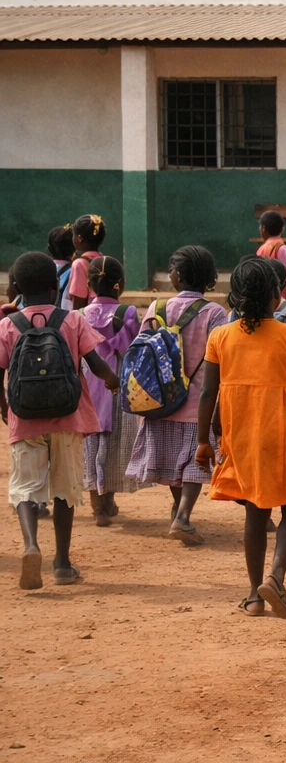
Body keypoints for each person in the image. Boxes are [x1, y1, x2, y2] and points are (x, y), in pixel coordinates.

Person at [197, 257, 286, 618]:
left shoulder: (220, 337)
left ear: (234, 298)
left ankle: (253, 595)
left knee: (255, 511)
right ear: (277, 297)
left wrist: (203, 441)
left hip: (242, 437)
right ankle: (275, 576)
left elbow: (208, 394)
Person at [1, 251, 121, 589]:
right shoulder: (72, 321)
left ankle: (30, 545)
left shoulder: (7, 325)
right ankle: (63, 564)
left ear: (17, 288)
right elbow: (95, 363)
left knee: (26, 487)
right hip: (69, 417)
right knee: (65, 490)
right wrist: (112, 381)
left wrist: (6, 410)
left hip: (25, 419)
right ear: (56, 287)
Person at [125, 246, 227, 545]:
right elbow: (223, 355)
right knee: (195, 462)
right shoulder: (214, 313)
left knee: (172, 460)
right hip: (198, 403)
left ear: (177, 276)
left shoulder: (157, 308)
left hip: (160, 401)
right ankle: (183, 515)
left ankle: (178, 510)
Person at [80, 256, 141, 526]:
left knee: (90, 444)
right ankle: (109, 499)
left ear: (89, 285)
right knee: (113, 444)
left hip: (89, 387)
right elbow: (133, 348)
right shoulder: (128, 313)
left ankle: (98, 508)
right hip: (118, 385)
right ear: (121, 284)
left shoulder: (79, 315)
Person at [63, 214, 108, 310]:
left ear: (79, 238)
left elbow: (79, 300)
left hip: (88, 315)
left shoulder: (79, 264)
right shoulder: (106, 261)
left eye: (73, 235)